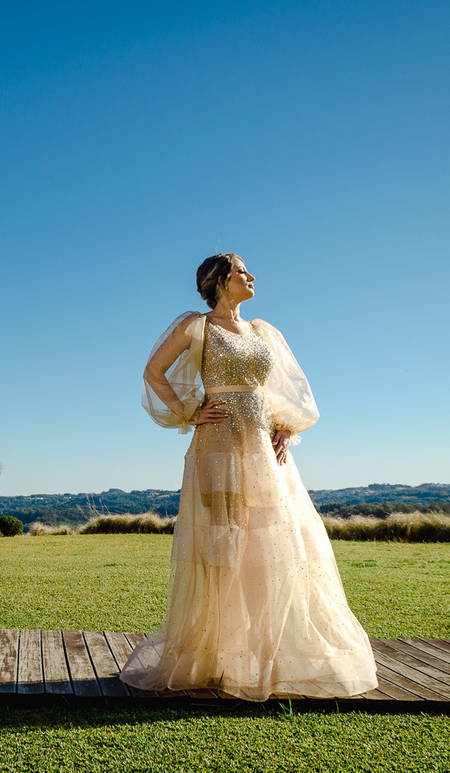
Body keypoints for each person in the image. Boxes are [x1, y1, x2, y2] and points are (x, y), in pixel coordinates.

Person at [118, 253, 379, 700]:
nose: (251, 276)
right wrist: (189, 410)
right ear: (220, 280)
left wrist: (284, 425)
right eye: (242, 271)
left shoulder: (263, 331)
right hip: (218, 446)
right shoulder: (196, 327)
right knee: (225, 547)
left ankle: (264, 652)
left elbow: (288, 387)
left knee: (274, 545)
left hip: (263, 447)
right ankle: (218, 655)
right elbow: (153, 372)